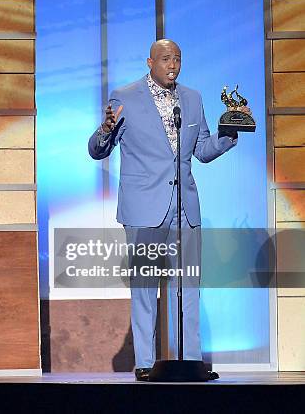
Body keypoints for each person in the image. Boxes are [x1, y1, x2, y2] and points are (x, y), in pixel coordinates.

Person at [88, 39, 248, 381]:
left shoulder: (192, 98)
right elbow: (98, 150)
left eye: (177, 58)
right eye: (165, 58)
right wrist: (104, 131)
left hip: (184, 209)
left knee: (189, 286)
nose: (172, 63)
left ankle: (191, 361)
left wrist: (230, 131)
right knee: (144, 287)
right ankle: (145, 362)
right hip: (143, 207)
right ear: (150, 62)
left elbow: (203, 150)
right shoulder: (125, 97)